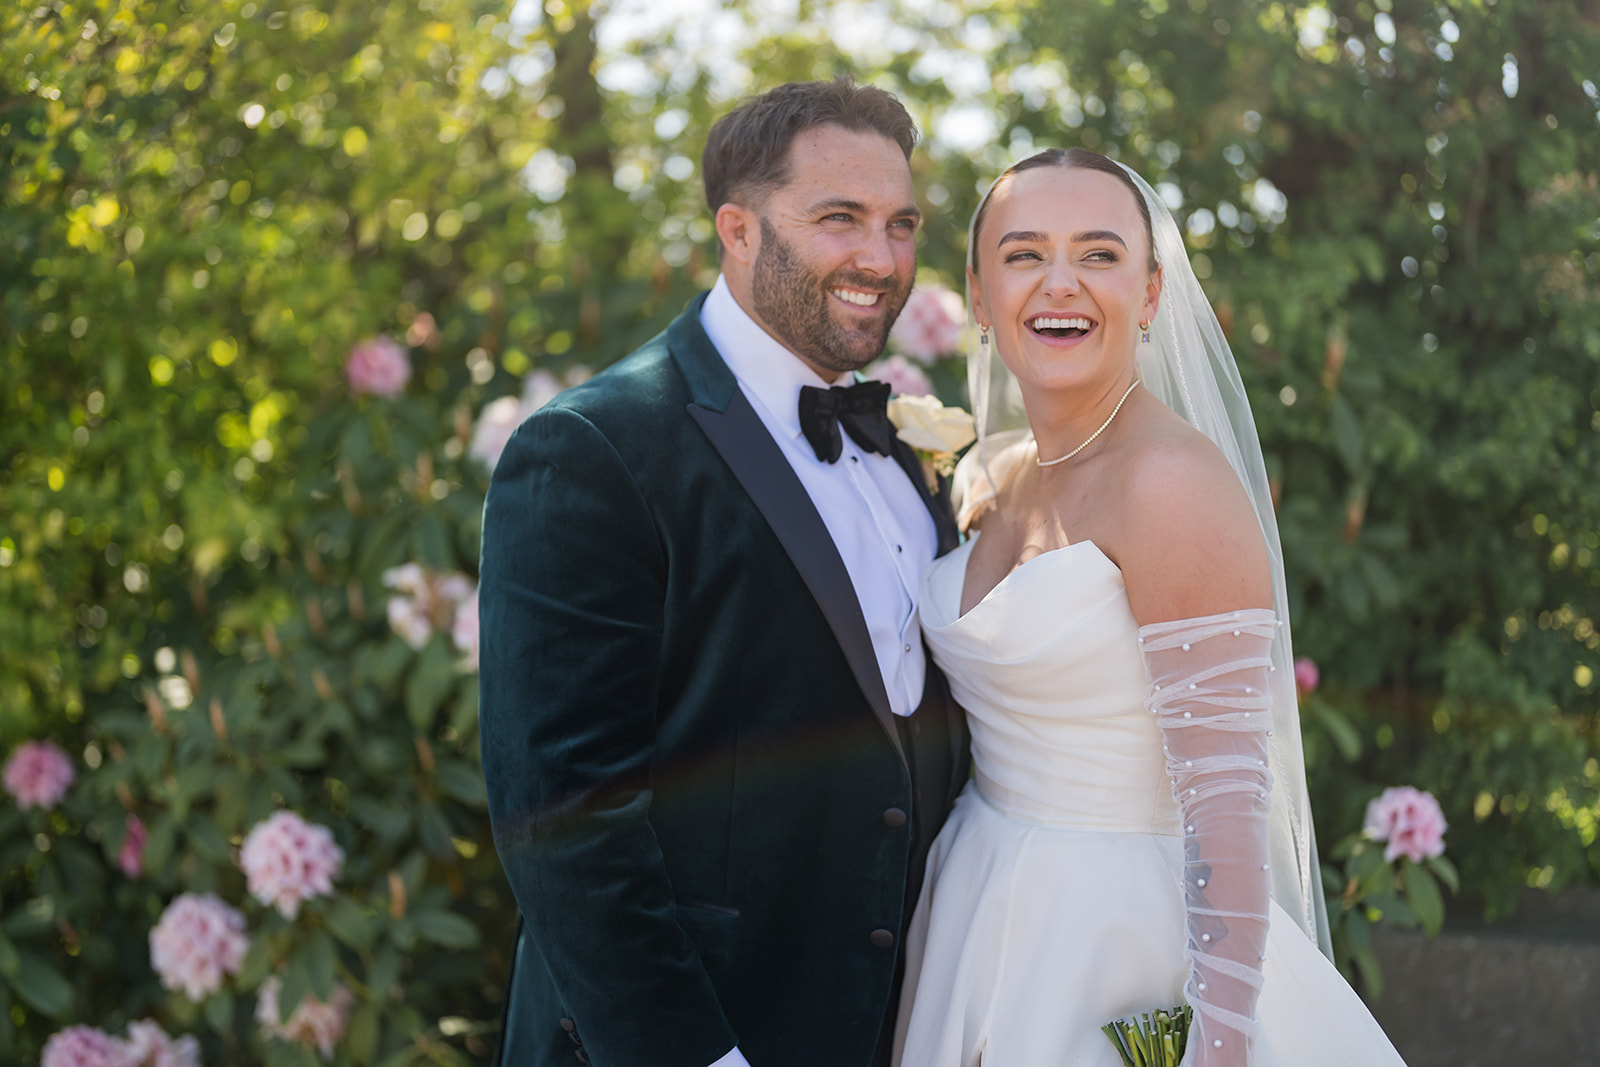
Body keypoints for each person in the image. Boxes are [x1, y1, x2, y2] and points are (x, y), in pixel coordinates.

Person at [478, 78, 968, 1067]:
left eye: (899, 222)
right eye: (840, 219)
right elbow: (566, 817)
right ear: (737, 229)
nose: (880, 258)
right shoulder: (594, 447)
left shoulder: (910, 452)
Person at [891, 148, 1409, 1066]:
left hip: (1124, 943)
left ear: (1154, 291)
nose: (1062, 284)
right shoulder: (993, 474)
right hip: (977, 898)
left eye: (1098, 254)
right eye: (1024, 254)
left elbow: (1228, 807)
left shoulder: (1172, 485)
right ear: (977, 294)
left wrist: (1219, 1043)